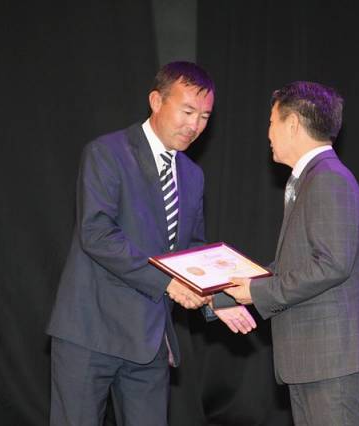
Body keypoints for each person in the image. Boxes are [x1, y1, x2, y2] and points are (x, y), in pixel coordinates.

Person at [46, 61, 255, 426]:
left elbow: (194, 252)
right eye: (187, 111)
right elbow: (97, 233)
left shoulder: (192, 175)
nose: (195, 125)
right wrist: (168, 283)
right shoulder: (107, 153)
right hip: (91, 332)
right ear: (156, 101)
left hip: (151, 340)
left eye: (205, 117)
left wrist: (216, 299)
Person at [218, 81, 359, 425]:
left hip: (331, 363)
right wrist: (222, 294)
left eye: (271, 122)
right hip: (312, 363)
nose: (268, 133)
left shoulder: (329, 179)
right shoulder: (312, 179)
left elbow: (332, 265)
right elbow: (295, 266)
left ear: (292, 124)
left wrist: (256, 291)